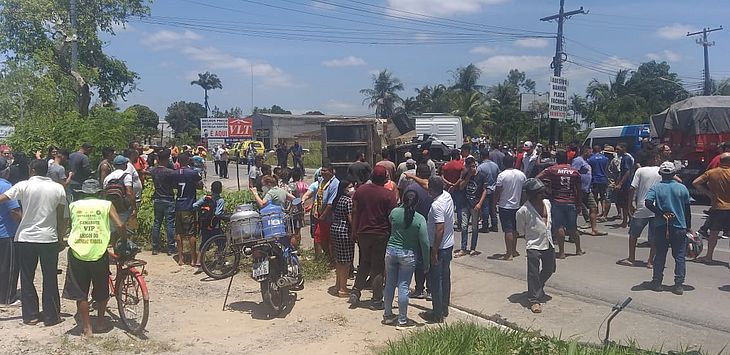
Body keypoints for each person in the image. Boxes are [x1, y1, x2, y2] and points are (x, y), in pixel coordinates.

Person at [0, 159, 67, 326]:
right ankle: (51, 316)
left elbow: (3, 198)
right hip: (48, 238)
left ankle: (31, 316)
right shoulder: (58, 188)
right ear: (47, 172)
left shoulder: (23, 186)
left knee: (27, 277)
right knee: (50, 277)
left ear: (31, 170)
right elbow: (62, 216)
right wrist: (60, 237)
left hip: (25, 237)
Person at [63, 179, 125, 336]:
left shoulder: (73, 206)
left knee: (81, 292)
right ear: (100, 192)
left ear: (83, 193)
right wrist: (122, 239)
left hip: (77, 251)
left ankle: (87, 328)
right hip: (99, 251)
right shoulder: (106, 205)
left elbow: (69, 225)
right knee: (101, 289)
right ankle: (100, 322)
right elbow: (120, 225)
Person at [349, 166, 397, 309]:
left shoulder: (361, 190)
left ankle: (356, 291)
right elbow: (392, 217)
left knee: (364, 262)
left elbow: (355, 211)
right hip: (381, 234)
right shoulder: (388, 195)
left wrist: (354, 230)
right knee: (377, 267)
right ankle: (376, 300)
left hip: (363, 233)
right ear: (384, 179)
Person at [382, 190, 430, 330]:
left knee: (390, 284)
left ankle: (388, 315)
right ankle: (402, 320)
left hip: (391, 251)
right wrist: (426, 263)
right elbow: (425, 243)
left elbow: (391, 223)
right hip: (408, 255)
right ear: (417, 202)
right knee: (403, 286)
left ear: (403, 199)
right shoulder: (420, 219)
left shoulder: (394, 212)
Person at [645, 161, 691, 295]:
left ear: (660, 174)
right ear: (674, 174)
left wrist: (661, 213)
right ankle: (678, 285)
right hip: (679, 226)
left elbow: (648, 203)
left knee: (660, 254)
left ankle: (657, 281)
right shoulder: (682, 188)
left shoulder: (656, 188)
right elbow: (687, 210)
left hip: (661, 226)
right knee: (680, 256)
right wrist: (688, 227)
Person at [516, 178, 555, 314]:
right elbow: (520, 230)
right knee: (533, 273)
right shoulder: (523, 211)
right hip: (533, 244)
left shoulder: (547, 204)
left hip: (548, 241)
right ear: (533, 195)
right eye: (539, 193)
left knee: (550, 268)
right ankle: (534, 300)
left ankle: (537, 287)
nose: (543, 195)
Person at [537, 150, 584, 259]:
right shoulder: (575, 172)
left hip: (557, 201)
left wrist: (547, 187)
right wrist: (579, 204)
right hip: (571, 201)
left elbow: (538, 177)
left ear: (556, 159)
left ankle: (562, 252)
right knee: (573, 228)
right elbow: (578, 190)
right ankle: (578, 249)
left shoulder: (551, 169)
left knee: (559, 227)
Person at [420, 176, 454, 324]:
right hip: (448, 245)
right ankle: (444, 307)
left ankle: (437, 313)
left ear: (432, 190)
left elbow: (439, 229)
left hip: (439, 248)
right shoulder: (447, 196)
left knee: (436, 281)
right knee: (445, 278)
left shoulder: (436, 205)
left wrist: (433, 251)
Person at [617, 153, 661, 268]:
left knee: (633, 234)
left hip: (642, 206)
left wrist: (630, 203)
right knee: (655, 236)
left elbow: (632, 188)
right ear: (655, 158)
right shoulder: (662, 170)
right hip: (658, 208)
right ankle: (651, 261)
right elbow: (678, 181)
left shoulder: (640, 171)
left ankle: (631, 258)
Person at [692, 153, 730, 263]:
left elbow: (695, 183)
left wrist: (708, 193)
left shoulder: (712, 172)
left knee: (713, 233)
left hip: (717, 207)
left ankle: (709, 256)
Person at [404, 164, 434, 300]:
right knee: (431, 259)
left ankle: (419, 289)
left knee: (419, 260)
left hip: (416, 228)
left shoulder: (411, 188)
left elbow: (407, 208)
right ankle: (431, 290)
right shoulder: (435, 189)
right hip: (432, 228)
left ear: (417, 173)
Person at [170, 153, 203, 266]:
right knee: (191, 233)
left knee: (178, 232)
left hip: (178, 204)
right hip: (189, 205)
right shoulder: (193, 173)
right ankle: (193, 259)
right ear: (188, 160)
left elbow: (174, 186)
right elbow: (200, 185)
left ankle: (180, 258)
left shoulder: (174, 173)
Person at [494, 155, 527, 261]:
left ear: (503, 164)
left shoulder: (502, 176)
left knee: (508, 230)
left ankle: (509, 254)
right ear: (513, 163)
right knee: (514, 229)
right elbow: (524, 191)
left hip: (505, 206)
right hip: (517, 205)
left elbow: (498, 191)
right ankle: (513, 250)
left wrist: (494, 203)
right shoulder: (521, 175)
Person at [455, 156, 486, 257]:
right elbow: (461, 186)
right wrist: (468, 176)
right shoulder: (465, 175)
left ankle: (473, 248)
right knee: (464, 226)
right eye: (469, 167)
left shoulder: (481, 176)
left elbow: (485, 190)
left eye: (473, 166)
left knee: (474, 227)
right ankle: (463, 248)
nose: (472, 169)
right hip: (465, 203)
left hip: (475, 204)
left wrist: (480, 204)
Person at [0, 157, 20, 306]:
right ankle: (7, 297)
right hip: (7, 232)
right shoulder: (6, 187)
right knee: (9, 267)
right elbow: (14, 211)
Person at [193, 181, 225, 273]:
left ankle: (199, 262)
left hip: (204, 225)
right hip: (214, 226)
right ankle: (219, 261)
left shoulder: (205, 198)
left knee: (204, 243)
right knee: (221, 243)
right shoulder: (220, 200)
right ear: (220, 190)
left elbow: (194, 205)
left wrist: (201, 213)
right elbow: (217, 213)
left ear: (211, 189)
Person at [149, 148, 176, 255]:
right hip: (168, 199)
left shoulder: (154, 171)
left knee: (157, 223)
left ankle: (155, 247)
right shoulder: (170, 172)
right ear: (166, 159)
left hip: (157, 199)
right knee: (169, 224)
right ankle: (170, 248)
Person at [330, 180, 354, 297]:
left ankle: (338, 285)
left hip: (335, 230)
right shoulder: (348, 201)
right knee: (345, 262)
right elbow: (351, 219)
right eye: (350, 186)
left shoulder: (337, 199)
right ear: (345, 189)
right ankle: (343, 289)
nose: (352, 188)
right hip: (344, 232)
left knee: (339, 260)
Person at [573, 147, 605, 236]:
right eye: (590, 152)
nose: (592, 153)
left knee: (593, 208)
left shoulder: (586, 161)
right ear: (585, 151)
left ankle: (594, 229)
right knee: (576, 210)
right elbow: (574, 173)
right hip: (579, 190)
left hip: (587, 189)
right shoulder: (578, 160)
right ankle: (572, 230)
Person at [313, 163, 339, 260]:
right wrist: (315, 210)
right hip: (320, 215)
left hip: (329, 217)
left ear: (331, 172)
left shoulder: (335, 184)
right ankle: (328, 257)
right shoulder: (321, 182)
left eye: (325, 170)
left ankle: (332, 259)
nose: (322, 172)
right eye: (322, 170)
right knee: (318, 237)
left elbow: (330, 203)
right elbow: (317, 197)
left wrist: (323, 216)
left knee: (330, 239)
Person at [103, 155, 136, 227]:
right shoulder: (126, 176)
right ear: (124, 165)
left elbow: (104, 192)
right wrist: (134, 208)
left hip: (111, 205)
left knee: (113, 225)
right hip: (123, 206)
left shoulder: (108, 178)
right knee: (123, 224)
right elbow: (129, 192)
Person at [477, 148, 500, 233]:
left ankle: (485, 226)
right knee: (493, 208)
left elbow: (478, 179)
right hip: (494, 189)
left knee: (485, 209)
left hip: (485, 190)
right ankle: (494, 225)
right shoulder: (495, 165)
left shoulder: (480, 167)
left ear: (481, 156)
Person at [441, 150, 464, 231]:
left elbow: (442, 177)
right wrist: (454, 184)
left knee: (448, 208)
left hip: (448, 189)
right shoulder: (460, 165)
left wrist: (449, 183)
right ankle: (460, 225)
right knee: (459, 208)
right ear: (458, 156)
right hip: (457, 188)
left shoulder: (446, 165)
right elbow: (461, 178)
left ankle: (447, 224)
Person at [615, 143, 635, 228]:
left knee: (625, 204)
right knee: (626, 203)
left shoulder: (626, 158)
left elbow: (627, 172)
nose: (616, 151)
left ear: (623, 148)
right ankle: (630, 219)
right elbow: (622, 172)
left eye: (618, 149)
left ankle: (625, 221)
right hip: (625, 183)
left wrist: (620, 183)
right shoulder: (623, 158)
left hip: (626, 184)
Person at [587, 145, 609, 220]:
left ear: (593, 150)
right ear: (600, 150)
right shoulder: (605, 158)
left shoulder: (591, 159)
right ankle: (603, 211)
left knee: (595, 197)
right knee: (603, 196)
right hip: (603, 178)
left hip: (595, 179)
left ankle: (596, 211)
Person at [603, 145, 621, 221]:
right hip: (609, 181)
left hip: (612, 182)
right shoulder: (608, 160)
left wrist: (617, 183)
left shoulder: (615, 160)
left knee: (608, 199)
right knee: (616, 199)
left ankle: (605, 216)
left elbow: (619, 172)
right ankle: (619, 214)